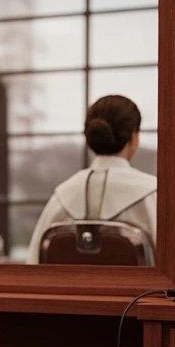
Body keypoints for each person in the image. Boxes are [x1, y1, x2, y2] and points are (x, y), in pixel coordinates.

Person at [26, 94, 157, 263]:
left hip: (69, 289)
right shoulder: (152, 193)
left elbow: (34, 263)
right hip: (139, 290)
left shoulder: (63, 195)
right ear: (134, 137)